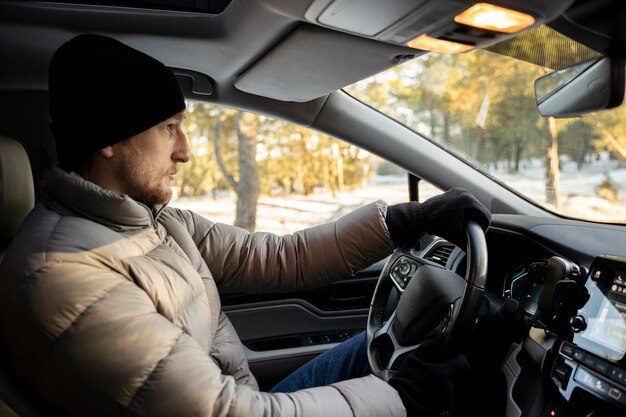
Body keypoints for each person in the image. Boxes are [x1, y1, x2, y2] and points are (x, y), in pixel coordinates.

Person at [0, 34, 490, 417]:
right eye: (168, 127)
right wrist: (403, 400)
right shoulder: (66, 276)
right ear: (108, 137)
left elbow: (280, 258)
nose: (185, 151)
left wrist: (404, 222)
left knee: (402, 346)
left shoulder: (150, 222)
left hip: (243, 398)